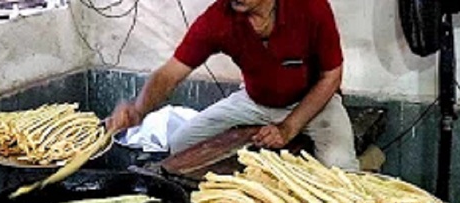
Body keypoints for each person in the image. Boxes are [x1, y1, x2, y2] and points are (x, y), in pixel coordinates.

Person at [106, 0, 359, 170]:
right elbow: (171, 72)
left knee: (341, 167)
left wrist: (288, 128)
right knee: (182, 144)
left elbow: (331, 76)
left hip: (315, 103)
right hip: (254, 101)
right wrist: (139, 109)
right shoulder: (218, 18)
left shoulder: (310, 7)